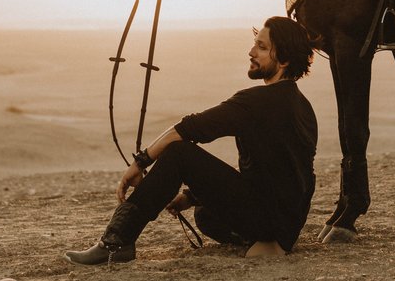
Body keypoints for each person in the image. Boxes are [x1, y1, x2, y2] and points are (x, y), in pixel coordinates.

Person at [64, 16, 320, 265]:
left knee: (179, 153)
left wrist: (141, 162)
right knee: (205, 215)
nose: (251, 51)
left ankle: (116, 242)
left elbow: (188, 128)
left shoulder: (257, 101)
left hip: (269, 221)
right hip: (287, 224)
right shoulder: (303, 107)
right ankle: (263, 242)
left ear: (284, 58)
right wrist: (193, 195)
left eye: (262, 47)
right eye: (255, 43)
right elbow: (284, 176)